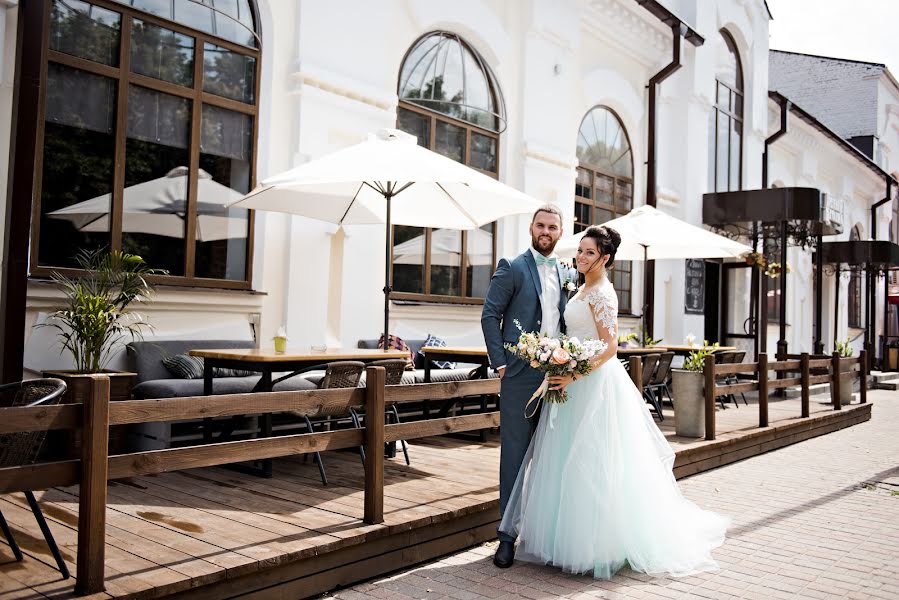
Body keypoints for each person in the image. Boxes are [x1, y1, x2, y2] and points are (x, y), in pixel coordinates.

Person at [498, 225, 729, 579]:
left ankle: (596, 545)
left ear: (605, 258)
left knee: (592, 460)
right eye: (579, 250)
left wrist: (573, 373)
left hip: (593, 385)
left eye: (589, 253)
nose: (581, 257)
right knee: (564, 460)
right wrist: (555, 354)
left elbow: (610, 347)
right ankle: (563, 539)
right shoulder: (579, 286)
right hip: (569, 380)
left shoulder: (602, 293)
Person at [481, 204, 567, 569]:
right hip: (519, 377)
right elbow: (489, 314)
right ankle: (506, 538)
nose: (545, 231)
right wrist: (501, 363)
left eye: (552, 226)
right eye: (540, 225)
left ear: (561, 232)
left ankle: (547, 535)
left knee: (554, 457)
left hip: (559, 376)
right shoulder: (512, 267)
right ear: (531, 228)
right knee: (514, 458)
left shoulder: (565, 272)